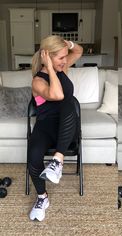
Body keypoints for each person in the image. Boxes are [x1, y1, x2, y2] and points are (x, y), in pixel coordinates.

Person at [28, 35, 83, 221]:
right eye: (61, 57)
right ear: (47, 57)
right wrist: (50, 68)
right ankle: (42, 197)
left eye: (65, 57)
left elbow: (79, 51)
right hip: (45, 127)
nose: (66, 61)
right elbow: (57, 94)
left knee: (69, 105)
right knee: (34, 156)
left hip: (67, 128)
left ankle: (57, 161)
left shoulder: (63, 66)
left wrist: (69, 45)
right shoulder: (38, 81)